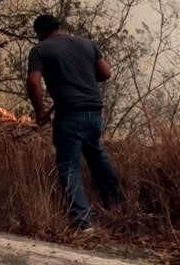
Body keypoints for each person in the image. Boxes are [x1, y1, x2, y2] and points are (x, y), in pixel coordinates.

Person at [26, 14, 122, 230]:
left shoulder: (40, 50)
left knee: (69, 167)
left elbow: (33, 83)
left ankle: (82, 222)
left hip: (70, 114)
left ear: (40, 33)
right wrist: (82, 76)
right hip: (94, 113)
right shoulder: (87, 44)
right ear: (58, 27)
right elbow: (106, 73)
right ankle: (117, 208)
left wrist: (40, 112)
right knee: (97, 157)